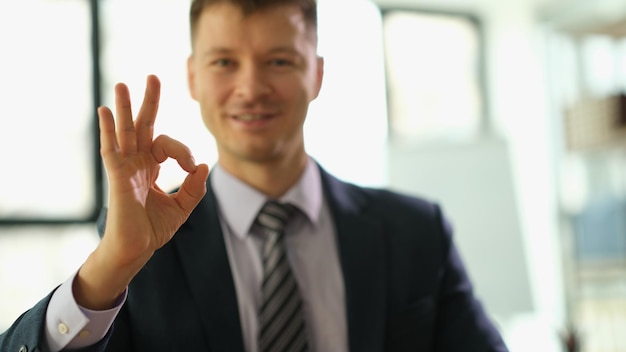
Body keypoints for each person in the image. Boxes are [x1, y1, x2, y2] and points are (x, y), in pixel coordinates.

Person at [0, 0, 510, 351]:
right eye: (225, 62)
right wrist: (109, 268)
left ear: (318, 73)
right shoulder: (139, 248)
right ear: (193, 78)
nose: (251, 87)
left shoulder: (416, 232)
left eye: (279, 61)